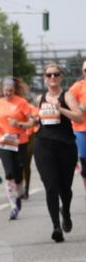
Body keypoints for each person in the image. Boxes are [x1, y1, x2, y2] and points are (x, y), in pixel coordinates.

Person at [30, 62, 83, 242]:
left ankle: (65, 212)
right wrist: (26, 123)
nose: (52, 77)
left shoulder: (66, 96)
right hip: (43, 145)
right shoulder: (39, 99)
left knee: (65, 189)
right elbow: (36, 121)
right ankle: (56, 227)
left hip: (65, 146)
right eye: (49, 75)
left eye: (55, 74)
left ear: (60, 77)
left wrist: (60, 109)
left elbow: (78, 116)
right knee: (51, 187)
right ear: (44, 78)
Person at [0, 77, 35, 220]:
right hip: (3, 141)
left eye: (10, 91)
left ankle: (19, 192)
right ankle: (13, 205)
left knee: (18, 173)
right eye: (5, 90)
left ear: (14, 90)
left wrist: (19, 124)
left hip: (20, 141)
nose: (8, 93)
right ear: (2, 90)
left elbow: (32, 122)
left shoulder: (21, 102)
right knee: (9, 172)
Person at [68, 59, 86, 201]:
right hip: (81, 129)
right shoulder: (77, 87)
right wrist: (80, 108)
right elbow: (67, 104)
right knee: (85, 165)